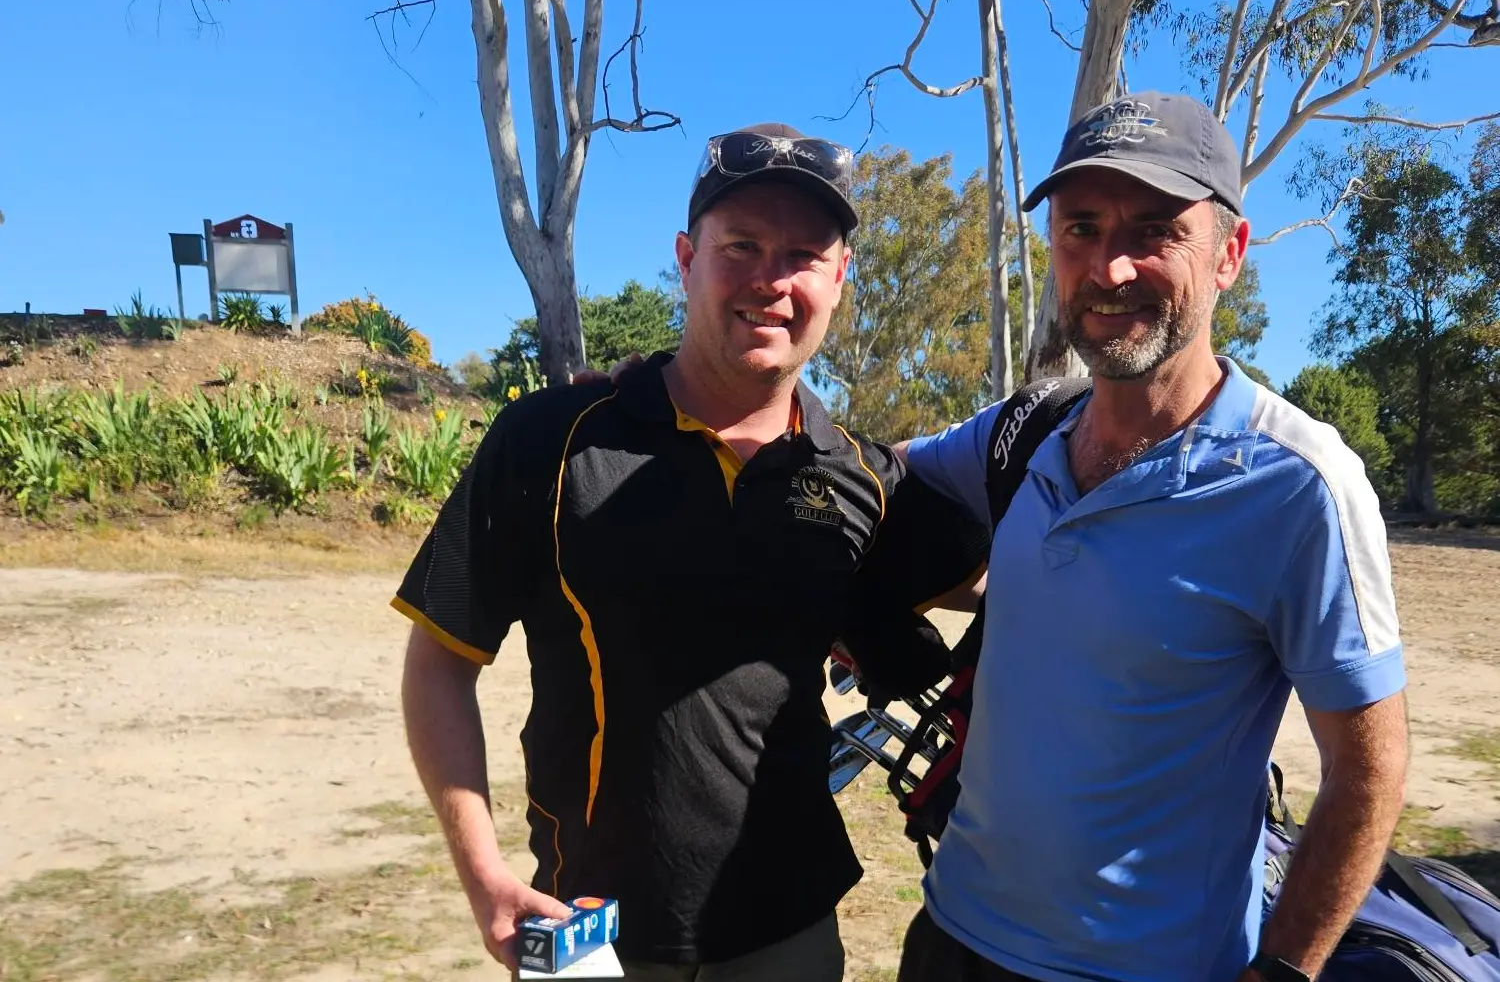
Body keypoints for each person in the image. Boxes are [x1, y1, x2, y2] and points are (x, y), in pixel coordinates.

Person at [392, 122, 988, 981]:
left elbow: (1010, 577)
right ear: (686, 255)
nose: (770, 280)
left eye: (802, 255)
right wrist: (484, 878)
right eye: (740, 245)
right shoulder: (550, 441)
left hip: (789, 930)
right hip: (585, 930)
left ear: (840, 277)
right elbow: (440, 664)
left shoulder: (863, 478)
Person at [887, 91, 1410, 982]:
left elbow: (1371, 772)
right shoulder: (1023, 437)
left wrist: (1282, 971)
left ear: (1229, 256)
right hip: (951, 936)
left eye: (1155, 231)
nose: (1109, 267)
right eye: (1080, 228)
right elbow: (857, 471)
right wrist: (671, 400)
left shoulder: (1299, 485)